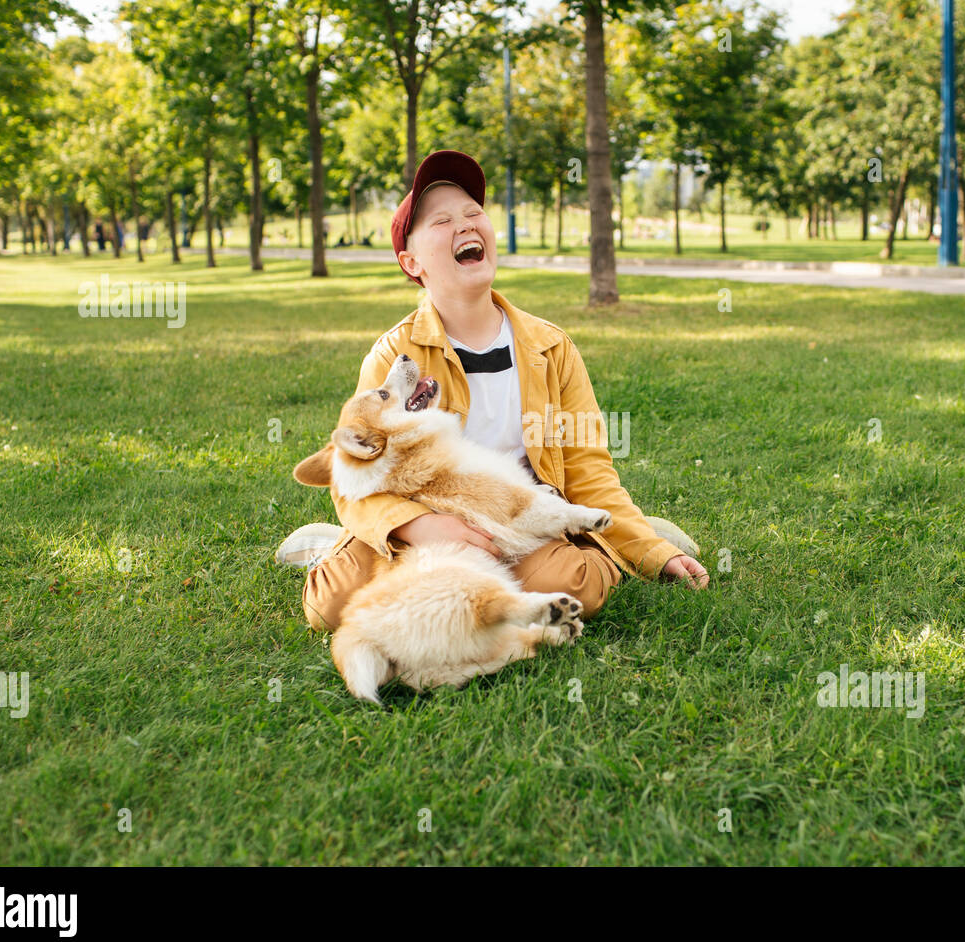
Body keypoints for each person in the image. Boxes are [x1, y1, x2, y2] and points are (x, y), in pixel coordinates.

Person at [279, 150, 708, 635]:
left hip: (515, 515)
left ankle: (637, 532)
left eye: (473, 213)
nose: (465, 224)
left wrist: (652, 552)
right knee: (329, 607)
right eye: (441, 220)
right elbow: (353, 478)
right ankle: (327, 543)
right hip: (423, 518)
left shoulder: (553, 347)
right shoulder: (394, 354)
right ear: (411, 262)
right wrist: (418, 527)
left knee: (577, 586)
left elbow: (587, 465)